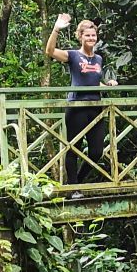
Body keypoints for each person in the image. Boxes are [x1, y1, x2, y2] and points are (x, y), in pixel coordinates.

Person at [45, 13, 117, 192]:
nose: (91, 38)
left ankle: (77, 182)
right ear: (80, 37)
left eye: (93, 35)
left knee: (96, 152)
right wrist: (56, 29)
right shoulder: (73, 55)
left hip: (95, 107)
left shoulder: (98, 59)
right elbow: (50, 51)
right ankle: (75, 188)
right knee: (73, 148)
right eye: (87, 35)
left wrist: (107, 84)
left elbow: (94, 82)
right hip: (76, 107)